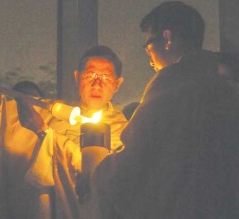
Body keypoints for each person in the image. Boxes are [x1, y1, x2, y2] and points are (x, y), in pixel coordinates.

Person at [91, 1, 239, 219]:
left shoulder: (173, 84)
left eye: (148, 44)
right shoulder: (223, 81)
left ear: (167, 39)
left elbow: (134, 162)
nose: (149, 55)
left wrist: (96, 174)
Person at [15, 45, 127, 219]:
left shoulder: (124, 131)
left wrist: (45, 133)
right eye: (90, 75)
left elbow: (105, 178)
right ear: (77, 77)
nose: (97, 83)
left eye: (105, 77)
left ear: (117, 84)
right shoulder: (53, 117)